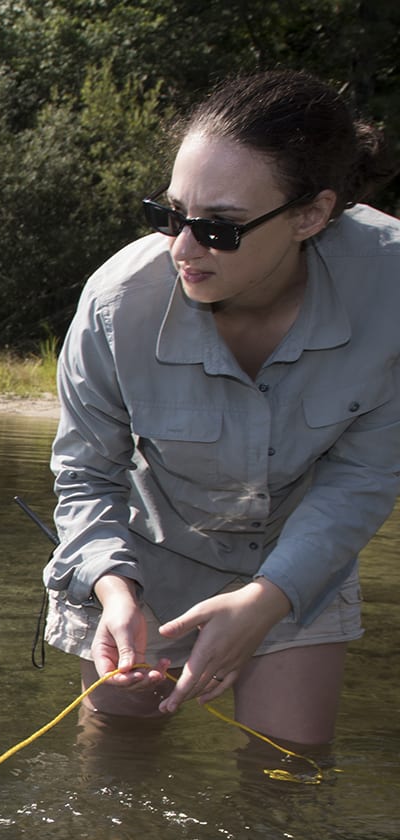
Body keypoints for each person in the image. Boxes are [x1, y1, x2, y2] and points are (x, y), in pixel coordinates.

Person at [43, 71, 400, 745]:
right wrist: (114, 591)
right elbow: (87, 473)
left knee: (290, 773)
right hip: (143, 566)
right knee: (118, 766)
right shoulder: (115, 304)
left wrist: (268, 599)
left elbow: (365, 475)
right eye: (170, 215)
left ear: (312, 215)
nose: (181, 247)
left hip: (301, 561)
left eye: (218, 228)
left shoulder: (392, 288)